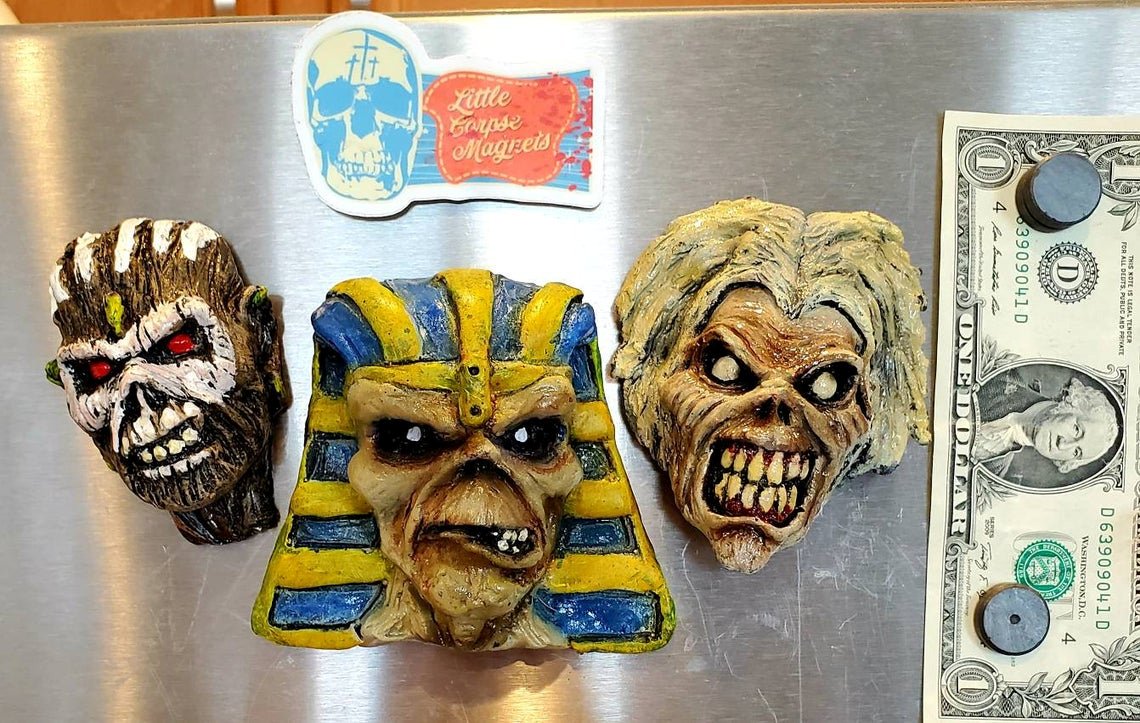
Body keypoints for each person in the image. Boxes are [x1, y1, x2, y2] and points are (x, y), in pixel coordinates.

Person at [975, 377, 1117, 480]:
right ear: (1071, 403)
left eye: (1076, 452)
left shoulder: (996, 472)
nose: (1062, 444)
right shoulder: (1002, 377)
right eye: (1076, 430)